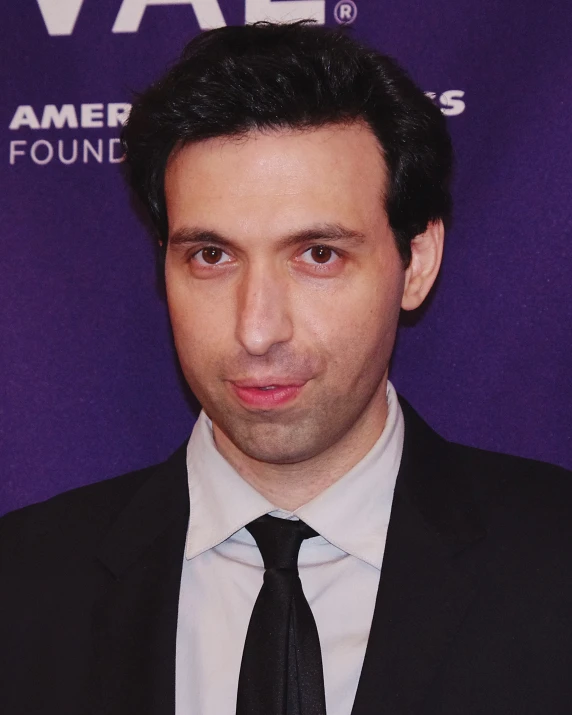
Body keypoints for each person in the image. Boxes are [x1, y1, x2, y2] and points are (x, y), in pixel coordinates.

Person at [1, 20, 571, 715]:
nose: (257, 328)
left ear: (415, 263)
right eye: (211, 256)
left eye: (319, 255)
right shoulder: (22, 586)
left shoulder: (554, 565)